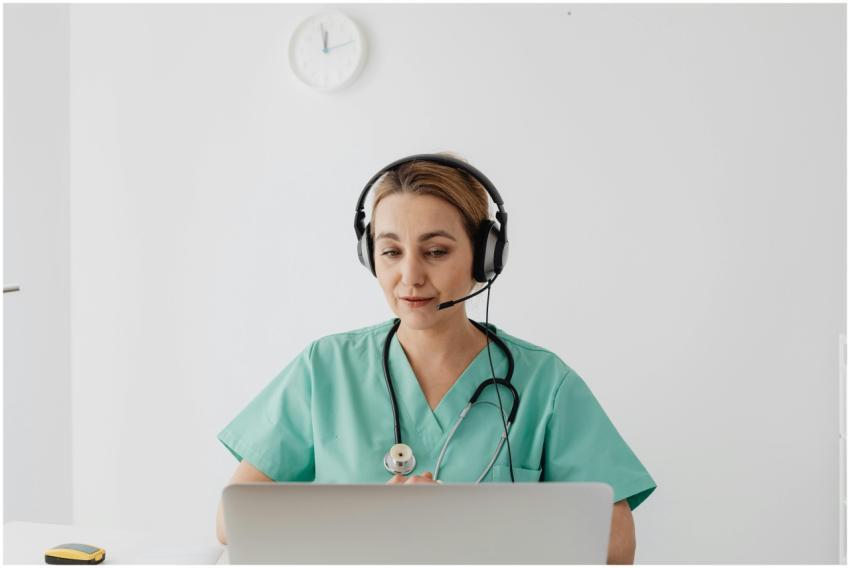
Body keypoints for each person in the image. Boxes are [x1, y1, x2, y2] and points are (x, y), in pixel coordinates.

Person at [215, 152, 657, 563]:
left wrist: (466, 521)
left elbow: (618, 544)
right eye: (391, 251)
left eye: (436, 251)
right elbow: (231, 522)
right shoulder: (326, 368)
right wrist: (367, 519)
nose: (410, 276)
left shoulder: (545, 382)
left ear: (485, 258)